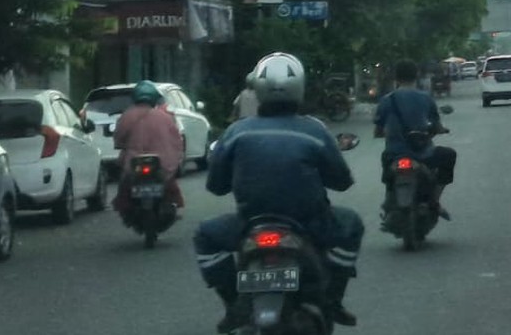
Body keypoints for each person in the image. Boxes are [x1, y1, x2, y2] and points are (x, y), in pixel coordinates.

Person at [193, 53, 363, 332]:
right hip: (309, 223)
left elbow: (215, 186)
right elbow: (342, 182)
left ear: (258, 89)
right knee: (352, 225)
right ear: (300, 88)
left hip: (250, 223)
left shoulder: (236, 132)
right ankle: (333, 299)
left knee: (205, 236)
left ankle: (233, 304)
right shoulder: (315, 131)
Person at [373, 60, 458, 219]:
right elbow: (437, 126)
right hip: (423, 154)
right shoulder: (425, 98)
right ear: (416, 76)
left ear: (395, 77)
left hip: (395, 154)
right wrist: (440, 130)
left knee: (386, 169)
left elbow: (378, 131)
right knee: (449, 155)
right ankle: (434, 201)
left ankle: (389, 202)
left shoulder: (386, 100)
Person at [112, 79, 185, 217]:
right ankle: (173, 205)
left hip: (134, 163)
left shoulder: (126, 116)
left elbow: (119, 140)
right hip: (162, 163)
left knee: (124, 183)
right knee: (169, 183)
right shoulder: (165, 116)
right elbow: (176, 140)